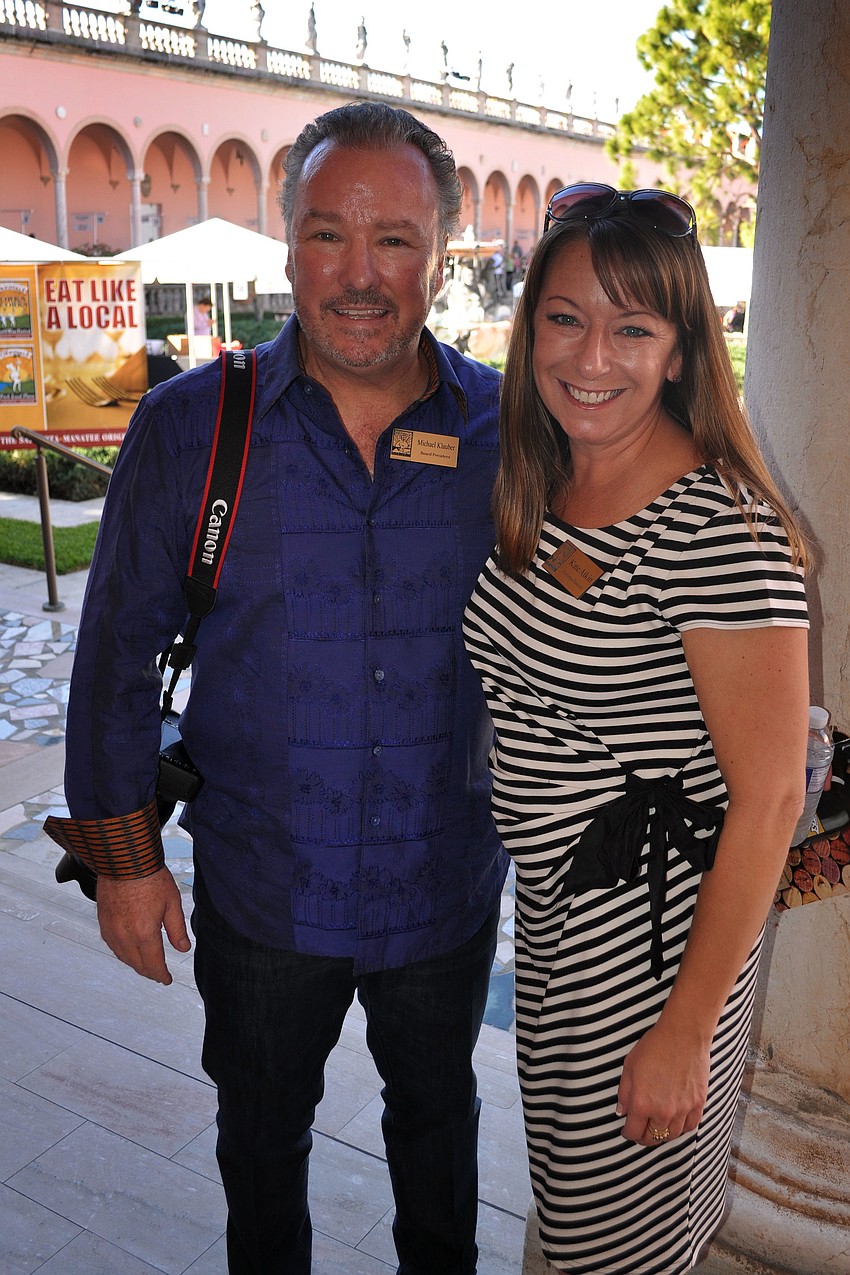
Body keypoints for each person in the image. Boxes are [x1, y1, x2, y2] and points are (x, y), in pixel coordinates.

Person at [49, 102, 508, 1274]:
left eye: (394, 239)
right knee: (259, 1151)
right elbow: (110, 662)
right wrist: (127, 862)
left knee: (439, 1144)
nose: (360, 275)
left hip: (442, 883)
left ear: (440, 251)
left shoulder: (512, 429)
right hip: (263, 891)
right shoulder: (193, 426)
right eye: (325, 234)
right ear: (286, 239)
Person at [462, 183, 810, 1274]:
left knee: (616, 1239)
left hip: (652, 946)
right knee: (576, 1211)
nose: (590, 355)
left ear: (678, 349)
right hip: (564, 927)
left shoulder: (719, 528)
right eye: (564, 317)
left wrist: (685, 1031)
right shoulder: (551, 478)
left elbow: (769, 801)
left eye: (633, 327)